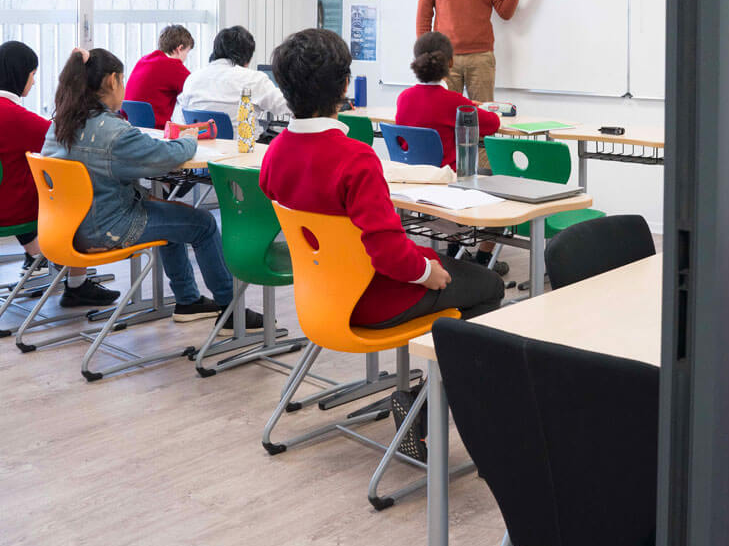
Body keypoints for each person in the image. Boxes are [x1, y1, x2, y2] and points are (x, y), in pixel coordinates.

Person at [259, 28, 504, 329]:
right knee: (490, 285)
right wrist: (427, 272)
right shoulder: (355, 159)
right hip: (372, 297)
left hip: (319, 292)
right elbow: (389, 254)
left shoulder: (274, 153)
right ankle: (453, 373)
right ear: (345, 84)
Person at [43, 47, 267, 330]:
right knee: (204, 223)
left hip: (67, 227)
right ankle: (230, 309)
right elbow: (166, 156)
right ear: (112, 81)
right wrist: (190, 138)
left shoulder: (58, 125)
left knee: (169, 215)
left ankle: (188, 300)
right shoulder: (114, 133)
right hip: (108, 227)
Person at [0, 41, 119, 308]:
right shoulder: (12, 116)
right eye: (32, 75)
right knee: (74, 195)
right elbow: (67, 137)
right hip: (8, 209)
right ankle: (77, 285)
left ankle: (38, 256)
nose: (32, 83)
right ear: (20, 75)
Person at [395, 32, 501, 171]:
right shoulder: (456, 103)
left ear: (416, 61)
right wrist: (471, 107)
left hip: (411, 176)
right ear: (451, 62)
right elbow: (493, 124)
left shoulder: (403, 98)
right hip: (445, 179)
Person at [176, 25, 291, 134]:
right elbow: (289, 107)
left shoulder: (192, 79)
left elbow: (182, 118)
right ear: (247, 57)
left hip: (201, 149)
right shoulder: (254, 79)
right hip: (244, 151)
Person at [124, 24, 195, 129]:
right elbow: (195, 89)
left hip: (130, 126)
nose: (186, 58)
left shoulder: (144, 60)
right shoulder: (174, 67)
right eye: (187, 52)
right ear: (179, 49)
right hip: (156, 131)